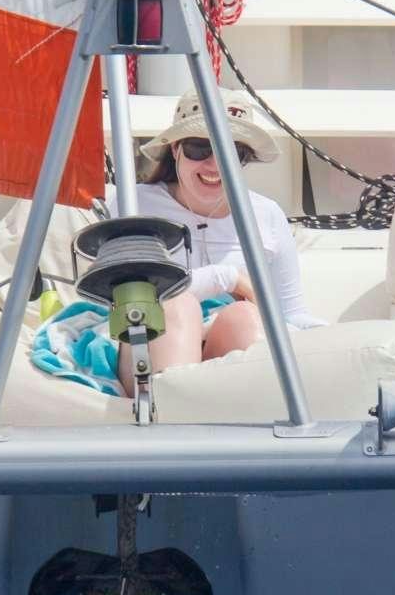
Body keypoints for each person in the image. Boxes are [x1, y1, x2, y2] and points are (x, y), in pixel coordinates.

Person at [116, 87, 321, 392]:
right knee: (177, 305)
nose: (214, 165)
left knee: (243, 317)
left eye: (229, 151)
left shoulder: (267, 215)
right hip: (149, 346)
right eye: (199, 148)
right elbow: (127, 298)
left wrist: (339, 340)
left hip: (232, 345)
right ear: (175, 150)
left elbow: (291, 314)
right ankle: (173, 424)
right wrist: (228, 279)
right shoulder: (131, 205)